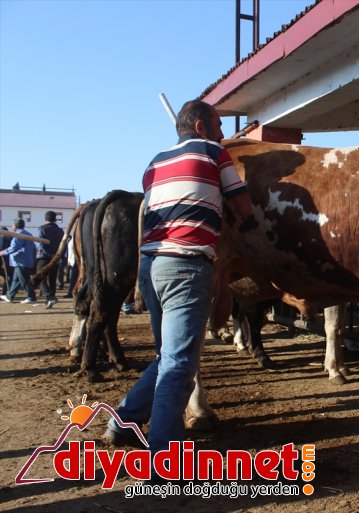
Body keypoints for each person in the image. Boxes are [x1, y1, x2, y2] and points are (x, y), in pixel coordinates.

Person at [103, 100, 253, 461]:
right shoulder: (214, 152)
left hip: (150, 264)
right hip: (186, 264)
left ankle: (123, 422)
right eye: (217, 125)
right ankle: (163, 455)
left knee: (168, 356)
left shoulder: (156, 161)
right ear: (201, 126)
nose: (222, 133)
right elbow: (244, 207)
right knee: (180, 363)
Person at [0, 218, 38, 304]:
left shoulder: (18, 235)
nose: (12, 227)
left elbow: (14, 247)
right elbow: (33, 248)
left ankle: (31, 297)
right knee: (16, 280)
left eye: (12, 225)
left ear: (15, 226)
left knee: (23, 280)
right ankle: (9, 296)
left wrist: (4, 252)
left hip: (21, 261)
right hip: (26, 260)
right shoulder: (28, 234)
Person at [36, 211, 65, 309]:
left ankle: (50, 296)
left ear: (45, 219)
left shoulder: (42, 229)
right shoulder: (60, 230)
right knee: (52, 279)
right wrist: (57, 255)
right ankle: (49, 300)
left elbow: (41, 245)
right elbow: (63, 244)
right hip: (56, 257)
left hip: (44, 257)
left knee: (39, 277)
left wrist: (49, 254)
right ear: (55, 219)